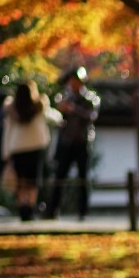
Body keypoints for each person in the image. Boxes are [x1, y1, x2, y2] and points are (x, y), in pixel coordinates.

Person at [41, 68, 99, 220]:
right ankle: (53, 210)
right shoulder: (65, 97)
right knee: (60, 176)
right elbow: (59, 118)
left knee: (82, 178)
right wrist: (62, 110)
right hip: (66, 142)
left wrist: (74, 109)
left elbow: (91, 116)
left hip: (82, 142)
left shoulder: (89, 98)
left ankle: (83, 211)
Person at [2, 80, 61, 221]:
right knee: (33, 181)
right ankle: (30, 207)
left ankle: (22, 208)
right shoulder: (39, 107)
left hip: (17, 147)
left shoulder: (12, 109)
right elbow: (55, 117)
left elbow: (7, 131)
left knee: (21, 181)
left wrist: (6, 152)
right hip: (35, 146)